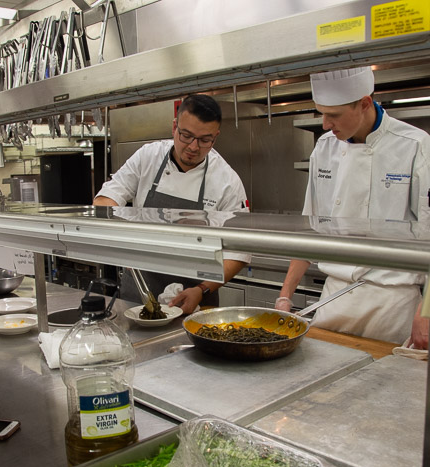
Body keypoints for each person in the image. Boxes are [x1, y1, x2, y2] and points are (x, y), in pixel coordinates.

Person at [275, 66, 430, 349]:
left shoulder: (415, 146)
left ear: (365, 104)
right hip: (334, 297)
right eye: (321, 112)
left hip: (391, 304)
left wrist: (426, 314)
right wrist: (285, 296)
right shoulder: (324, 148)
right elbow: (312, 230)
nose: (324, 124)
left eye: (333, 115)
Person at [93, 94, 251, 313]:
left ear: (216, 136)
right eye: (186, 136)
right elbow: (104, 201)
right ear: (174, 127)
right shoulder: (148, 157)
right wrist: (122, 243)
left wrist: (202, 289)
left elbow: (240, 252)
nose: (194, 147)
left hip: (195, 299)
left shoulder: (227, 181)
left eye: (205, 140)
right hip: (138, 291)